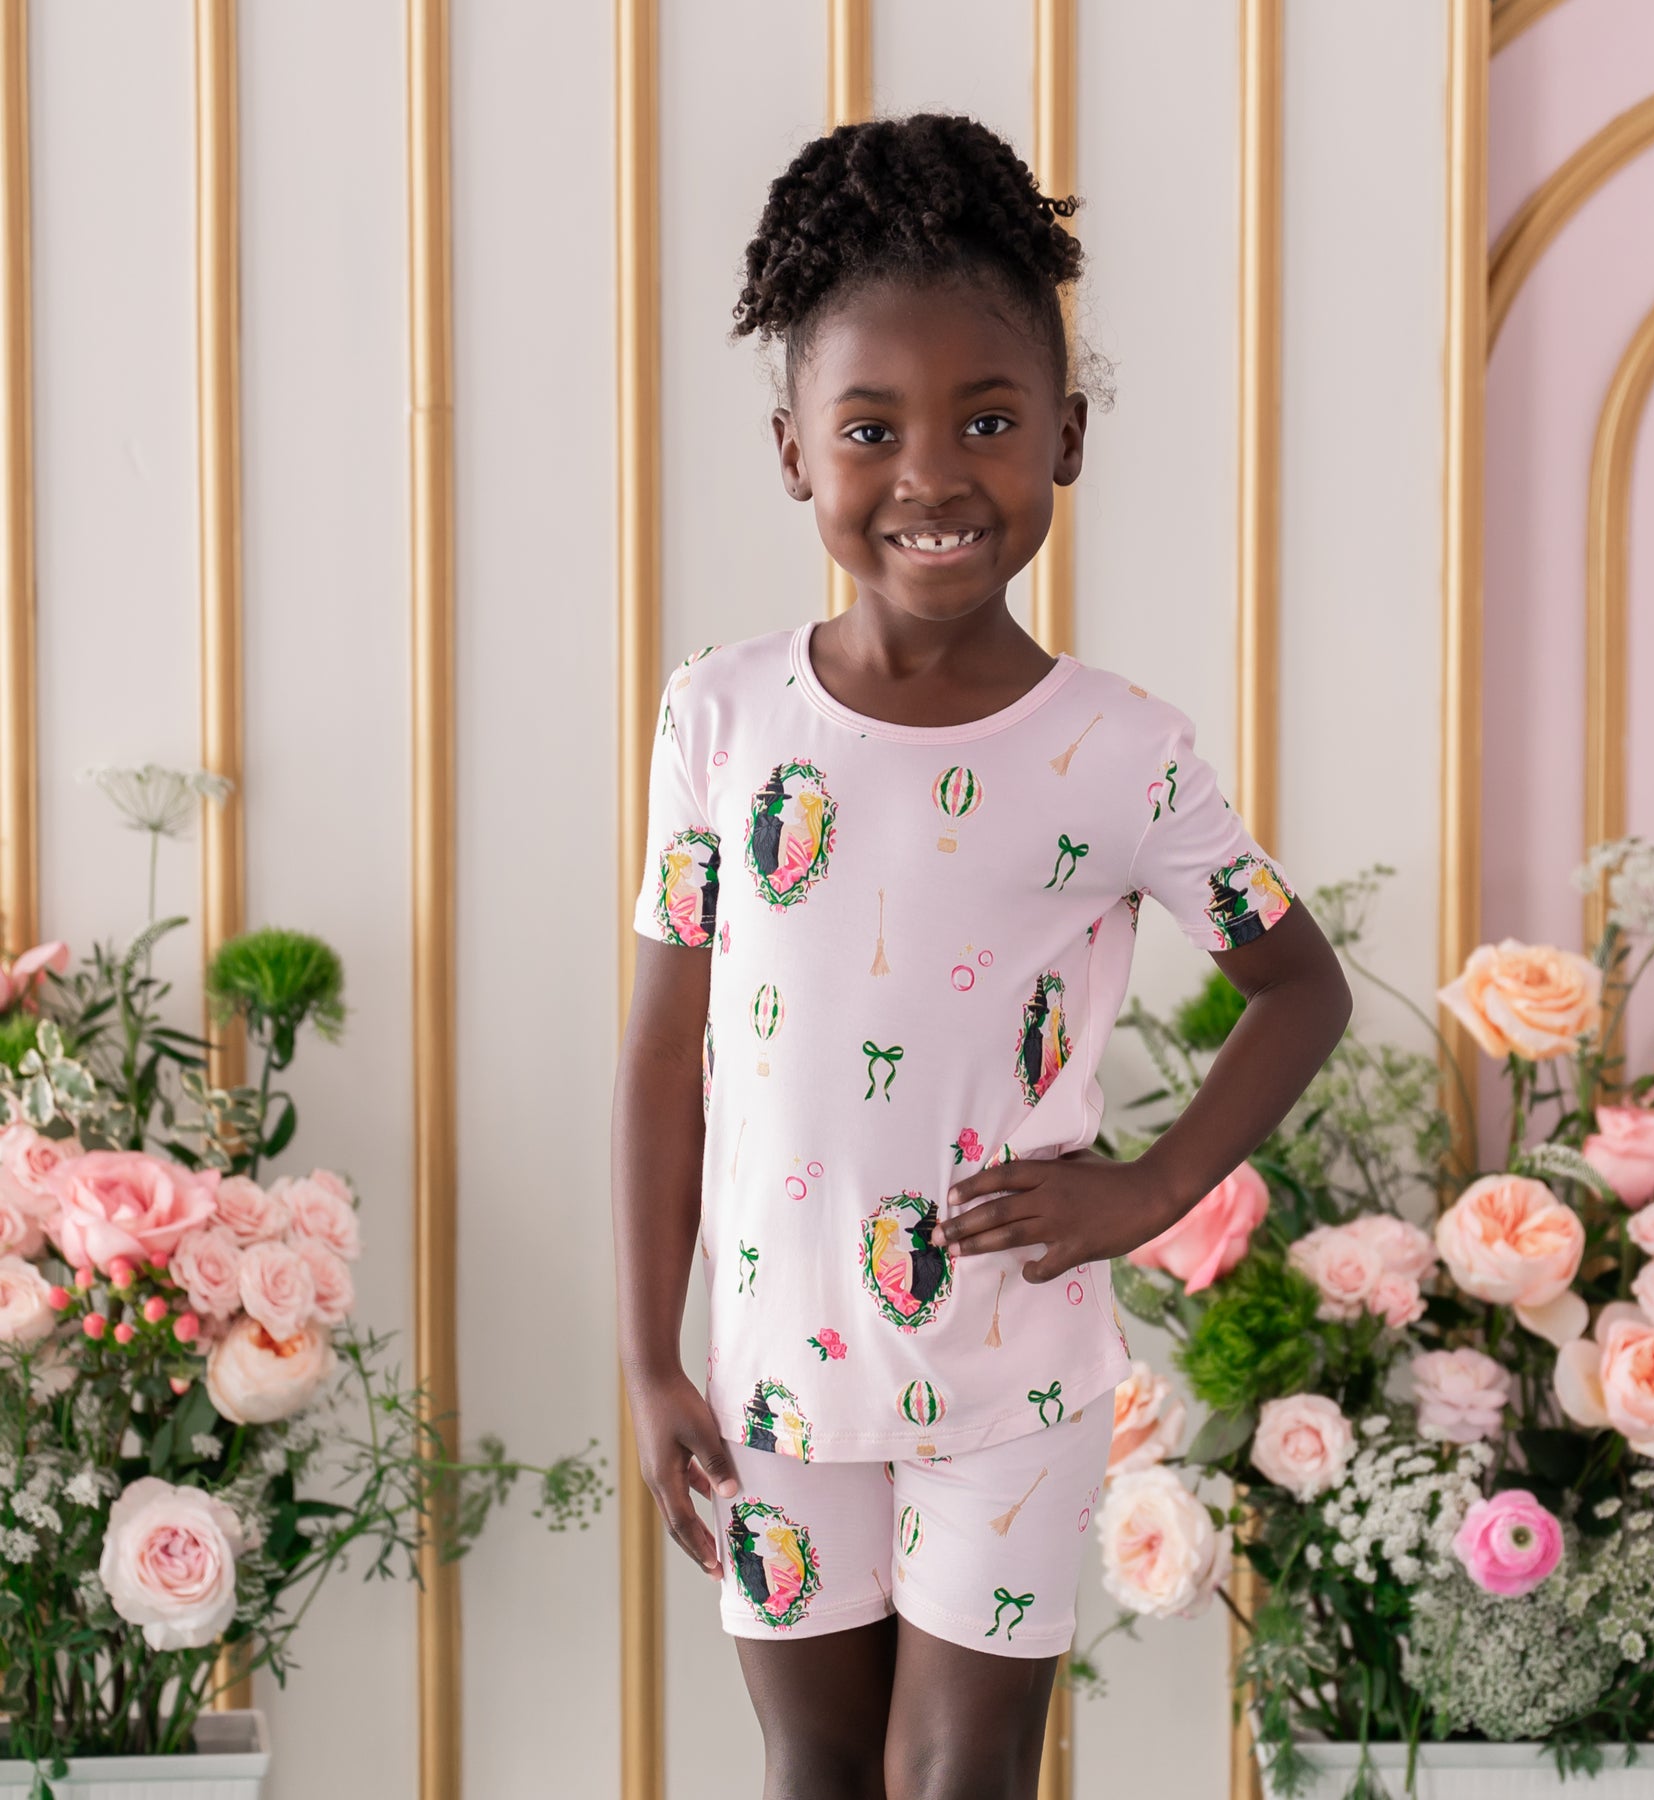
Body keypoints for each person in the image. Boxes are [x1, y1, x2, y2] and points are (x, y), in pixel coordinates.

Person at [611, 111, 1354, 1800]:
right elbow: (663, 1055)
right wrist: (651, 1357)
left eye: (989, 419)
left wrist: (1152, 1189)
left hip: (1018, 1376)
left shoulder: (1124, 756)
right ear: (793, 449)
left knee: (963, 1781)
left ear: (1066, 437)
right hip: (776, 1375)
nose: (933, 473)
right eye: (870, 426)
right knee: (819, 1779)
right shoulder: (718, 720)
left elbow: (1300, 986)